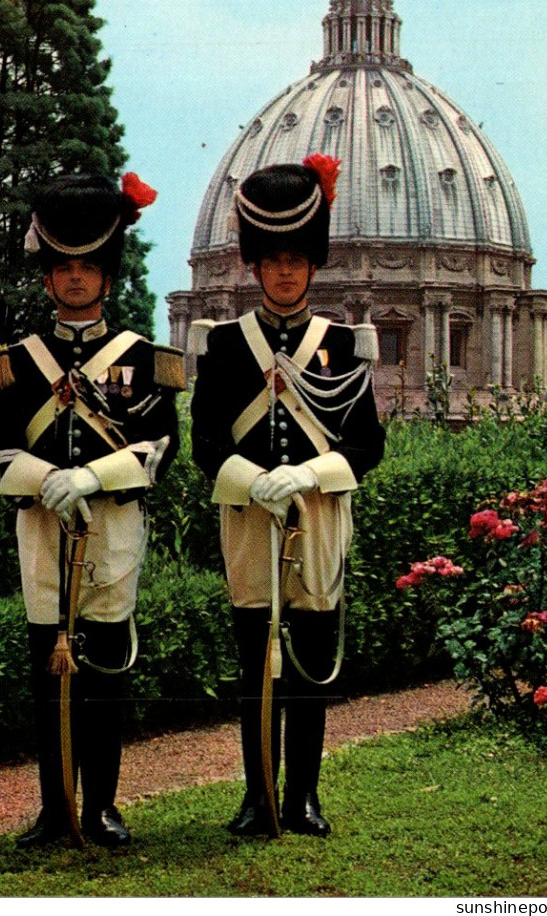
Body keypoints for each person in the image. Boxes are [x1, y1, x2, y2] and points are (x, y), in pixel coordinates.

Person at [0, 172, 184, 849]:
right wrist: (48, 480)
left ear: (106, 277)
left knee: (104, 675)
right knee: (47, 673)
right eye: (62, 267)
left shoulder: (142, 361)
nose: (74, 279)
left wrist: (90, 476)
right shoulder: (17, 363)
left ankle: (100, 807)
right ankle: (53, 809)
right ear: (46, 279)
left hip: (111, 532)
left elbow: (158, 448)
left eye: (87, 267)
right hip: (41, 530)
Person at [190, 155, 386, 838]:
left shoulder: (341, 345)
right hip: (247, 520)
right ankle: (255, 797)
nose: (283, 271)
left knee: (307, 661)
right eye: (271, 259)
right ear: (254, 265)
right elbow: (205, 445)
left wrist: (305, 475)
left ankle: (302, 796)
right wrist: (253, 480)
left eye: (296, 259)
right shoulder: (221, 347)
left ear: (312, 265)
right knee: (254, 664)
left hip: (319, 515)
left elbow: (365, 445)